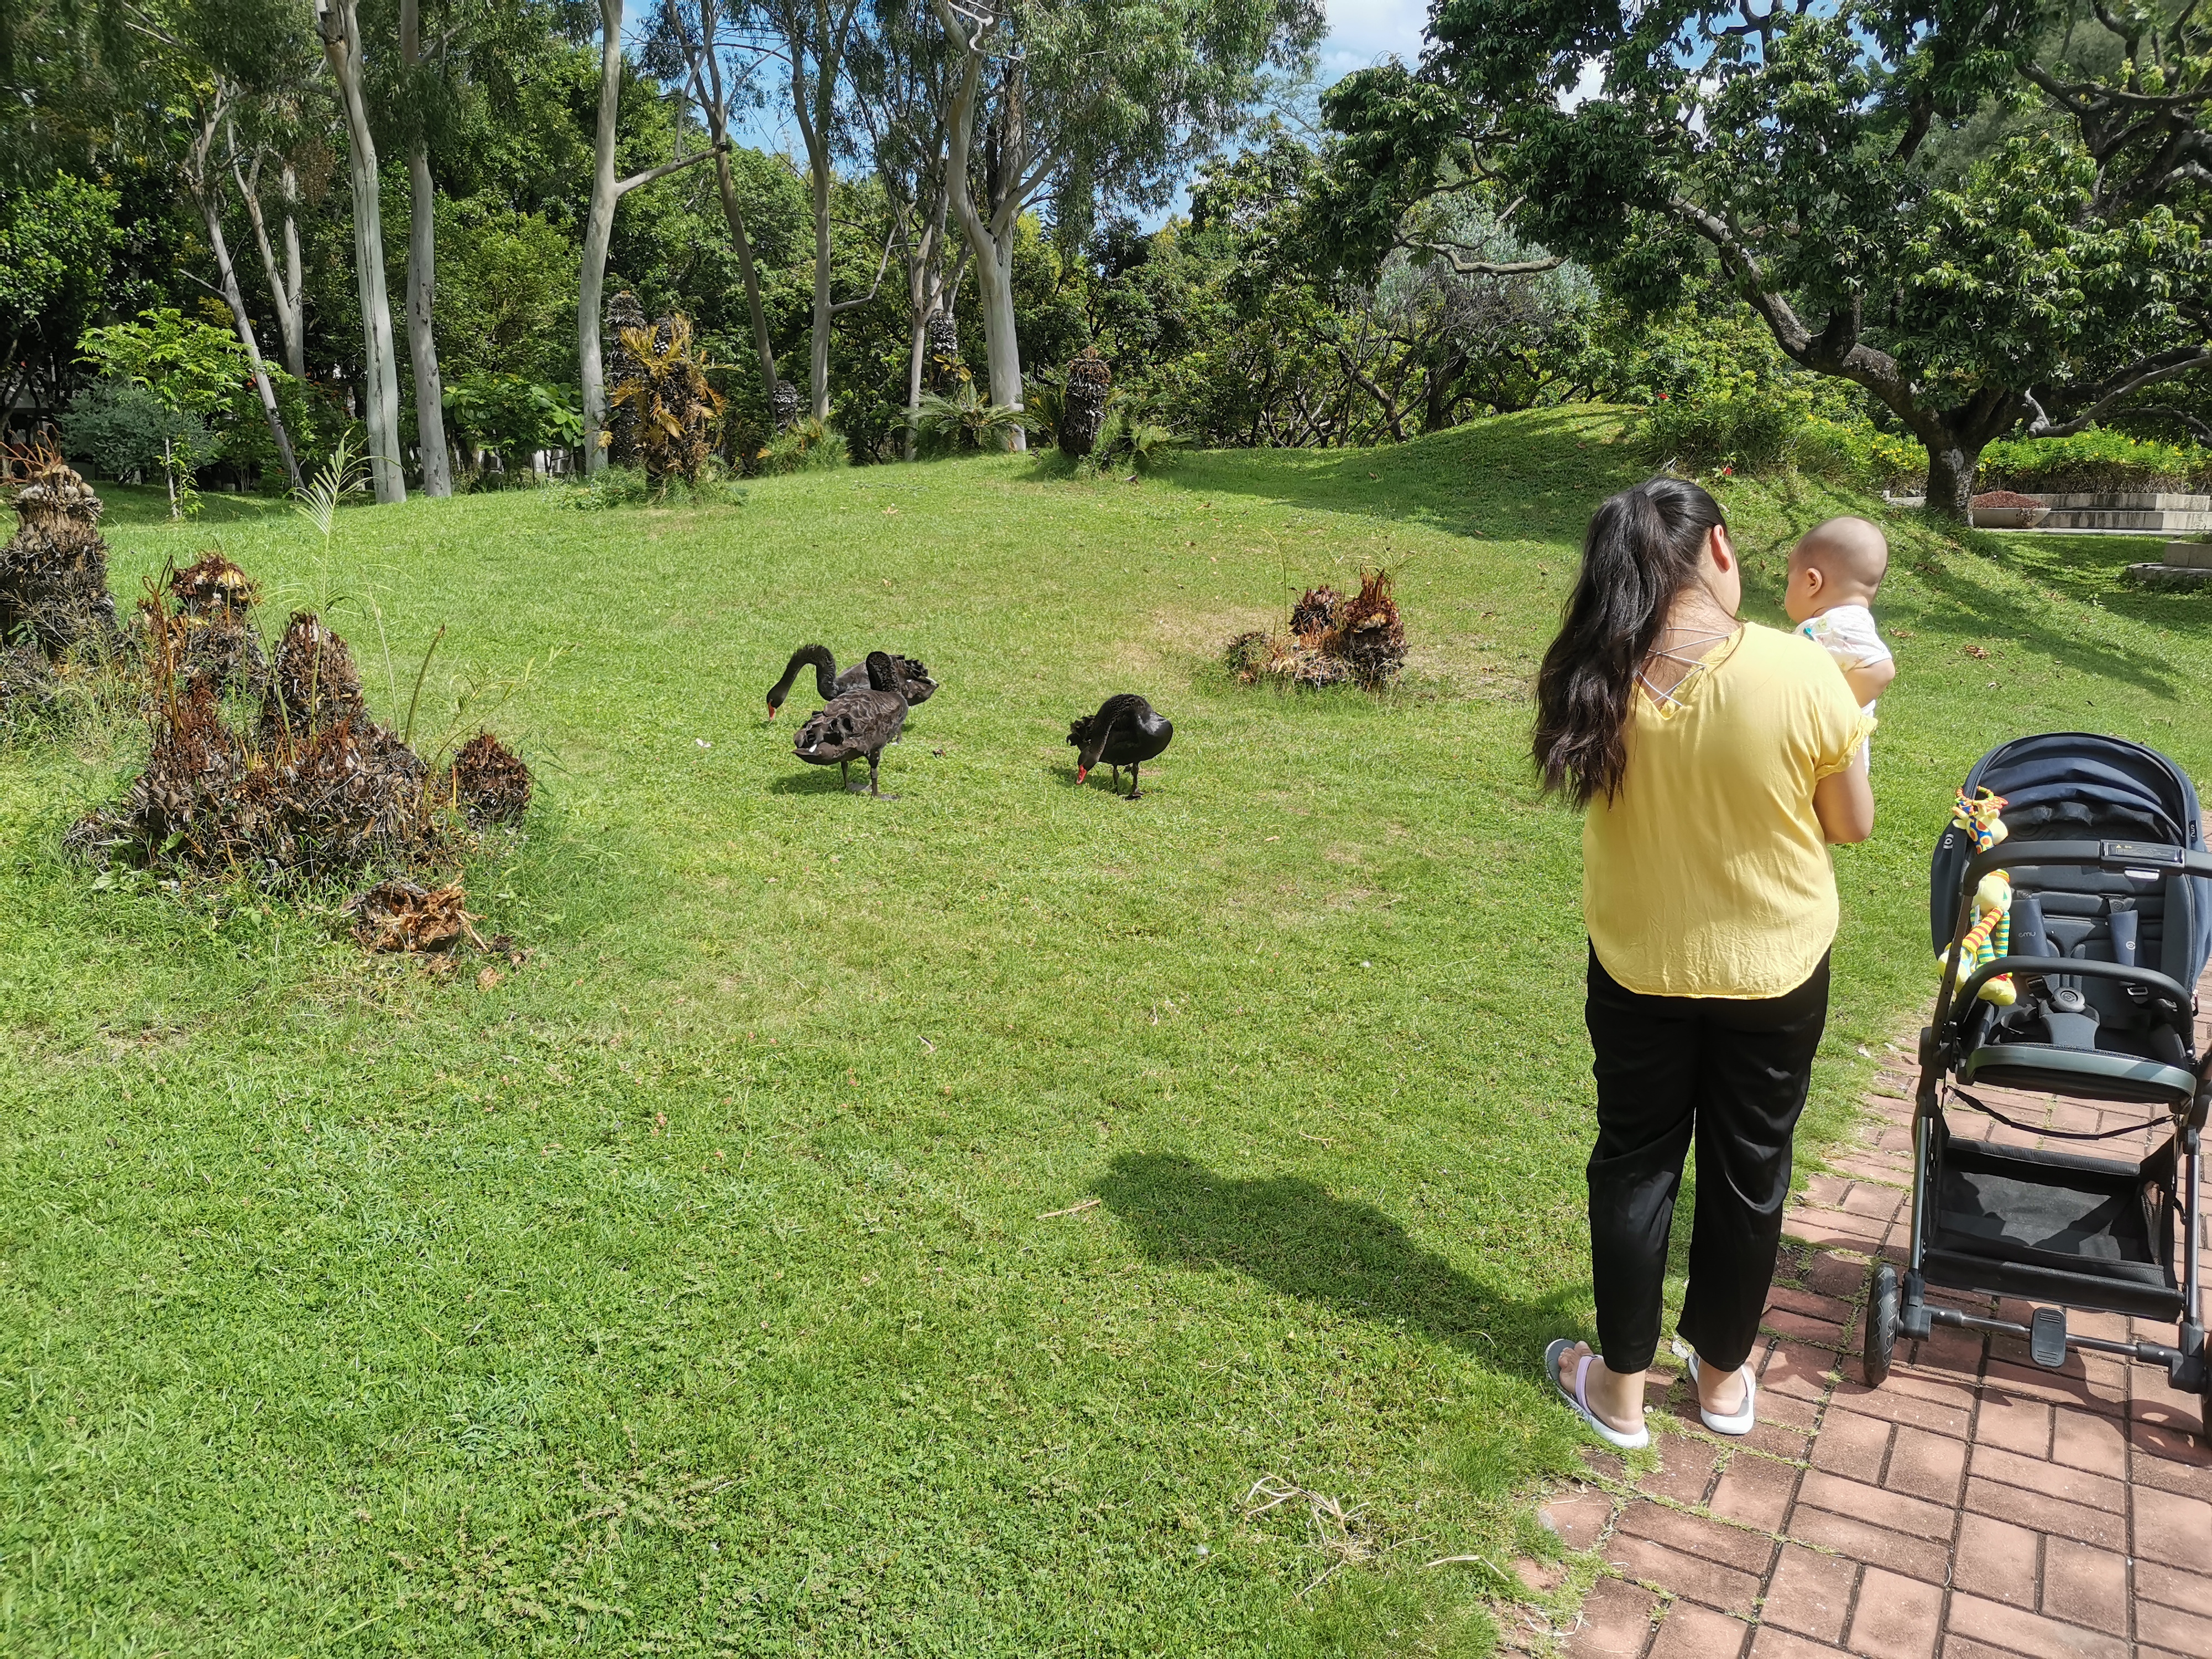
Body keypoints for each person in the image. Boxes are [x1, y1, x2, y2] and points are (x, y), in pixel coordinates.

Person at [1530, 478, 1878, 1448]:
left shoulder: (1587, 675)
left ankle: (1621, 1394)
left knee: (1636, 1164)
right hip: (1775, 970)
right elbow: (1853, 825)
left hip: (1639, 965)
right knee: (1749, 1170)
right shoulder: (1799, 672)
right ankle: (1723, 1384)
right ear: (1719, 551)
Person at [1786, 515, 1896, 724]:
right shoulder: (1844, 623)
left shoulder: (1836, 625)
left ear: (1812, 582)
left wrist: (1829, 717)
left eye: (1789, 579)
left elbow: (1882, 670)